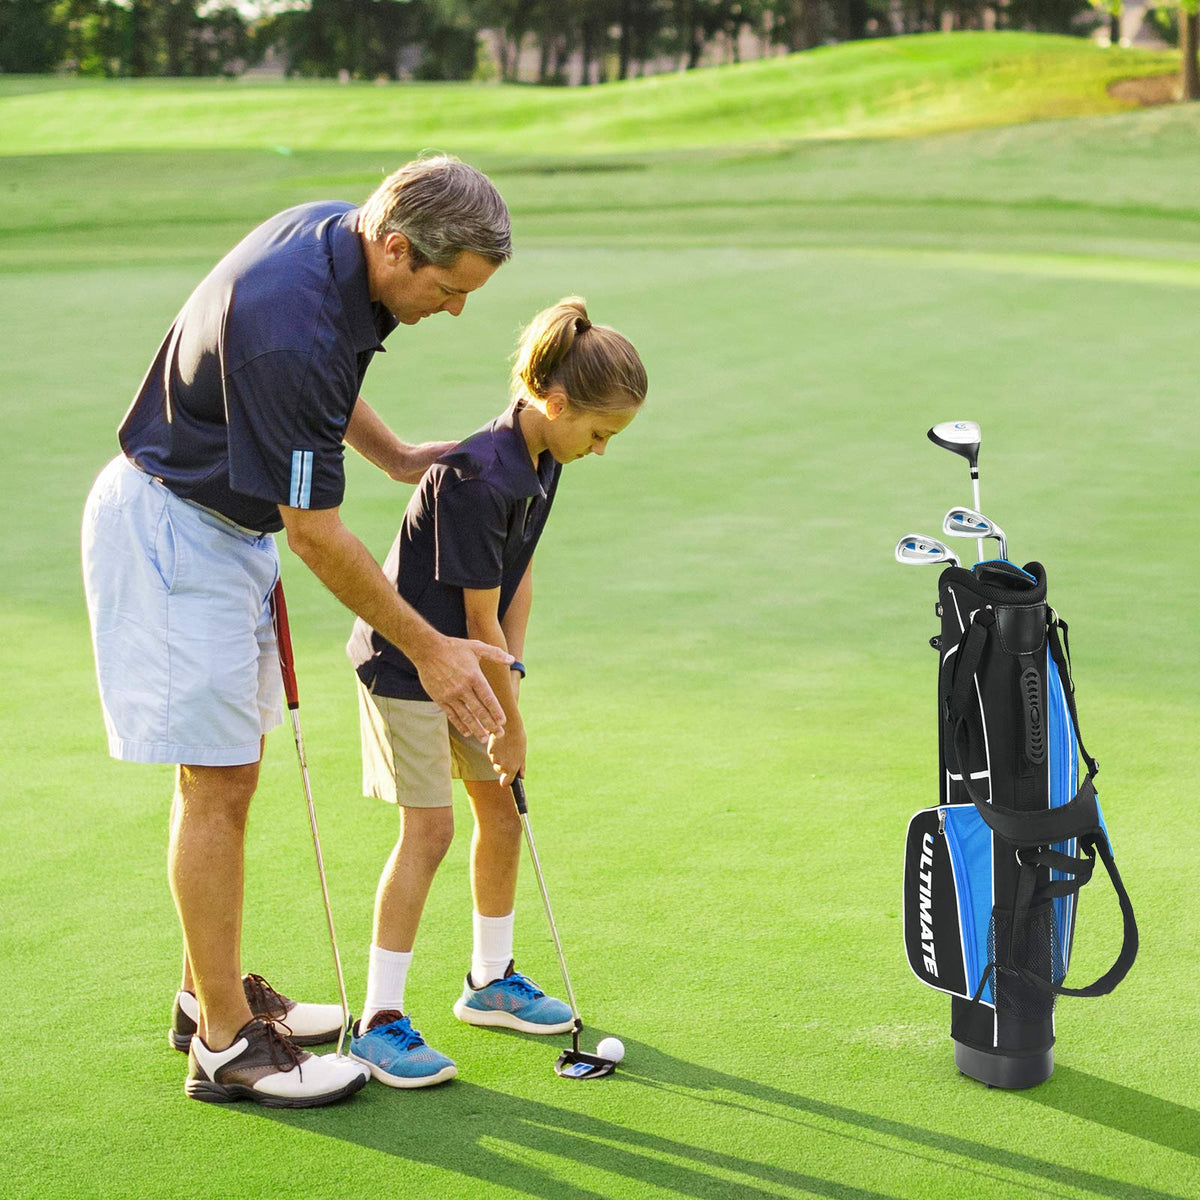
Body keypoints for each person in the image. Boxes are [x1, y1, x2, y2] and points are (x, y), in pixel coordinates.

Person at [81, 155, 517, 1108]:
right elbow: (318, 534)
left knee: (225, 775)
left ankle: (212, 994)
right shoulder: (295, 321)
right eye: (447, 289)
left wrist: (394, 453)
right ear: (397, 246)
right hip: (171, 534)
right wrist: (434, 651)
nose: (453, 310)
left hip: (217, 530)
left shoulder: (340, 240)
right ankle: (227, 1046)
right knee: (219, 781)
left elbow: (323, 385)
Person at [344, 297, 647, 1088]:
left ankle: (489, 982)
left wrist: (514, 684)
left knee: (502, 814)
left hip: (470, 658)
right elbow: (476, 616)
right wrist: (508, 725)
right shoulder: (483, 472)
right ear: (557, 403)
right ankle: (378, 1019)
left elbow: (517, 588)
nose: (602, 450)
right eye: (600, 433)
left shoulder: (545, 457)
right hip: (405, 665)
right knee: (431, 831)